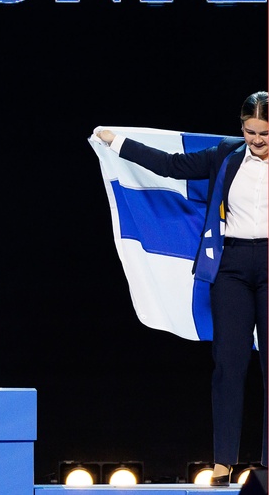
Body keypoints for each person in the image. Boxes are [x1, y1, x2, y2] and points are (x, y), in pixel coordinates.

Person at [95, 91, 268, 486]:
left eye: (265, 133)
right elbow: (170, 165)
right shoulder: (225, 154)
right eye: (250, 131)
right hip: (232, 267)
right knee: (228, 365)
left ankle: (267, 463)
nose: (256, 140)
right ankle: (224, 462)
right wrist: (118, 143)